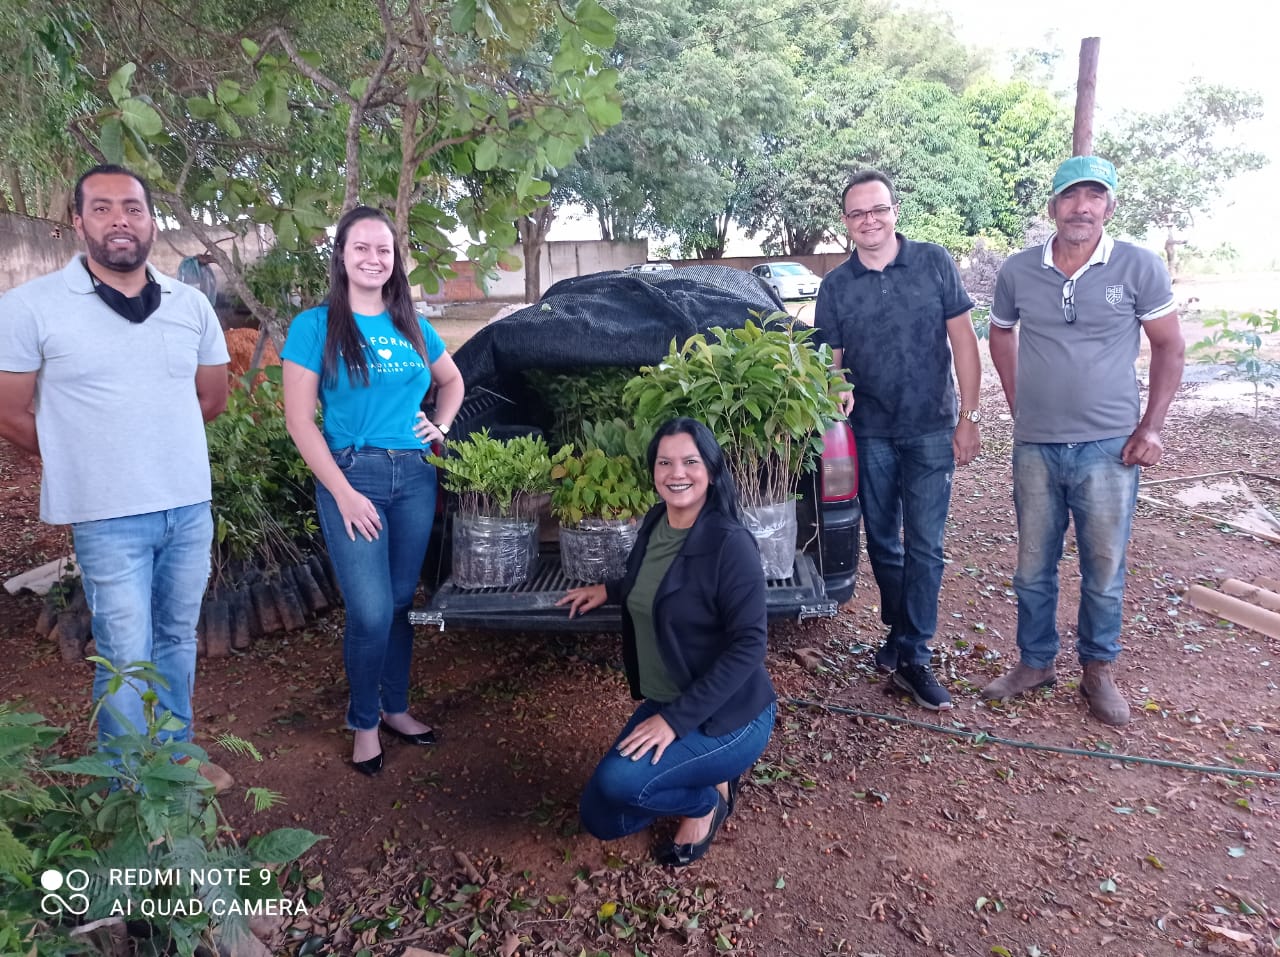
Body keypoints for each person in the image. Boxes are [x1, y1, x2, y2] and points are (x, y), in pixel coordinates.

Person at [0, 164, 231, 781]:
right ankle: (131, 784)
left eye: (132, 207)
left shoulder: (191, 305)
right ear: (77, 222)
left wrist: (151, 445)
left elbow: (211, 399)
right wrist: (88, 455)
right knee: (125, 655)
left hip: (186, 505)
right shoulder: (29, 308)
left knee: (178, 638)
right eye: (101, 209)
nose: (119, 220)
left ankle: (175, 759)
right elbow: (11, 413)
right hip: (107, 517)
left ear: (151, 220)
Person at [982, 156, 1184, 727]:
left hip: (1109, 447)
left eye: (1094, 197)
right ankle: (1035, 662)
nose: (1082, 208)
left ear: (1109, 207)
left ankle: (1097, 670)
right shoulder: (1019, 271)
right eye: (1072, 196)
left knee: (1103, 564)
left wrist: (1151, 427)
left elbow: (1170, 347)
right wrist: (1020, 403)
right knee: (1031, 564)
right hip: (1037, 447)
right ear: (1053, 206)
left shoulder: (1139, 267)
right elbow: (1000, 334)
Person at [282, 205, 464, 775]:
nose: (373, 258)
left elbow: (452, 380)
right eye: (361, 247)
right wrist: (342, 492)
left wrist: (441, 426)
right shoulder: (315, 326)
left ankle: (396, 708)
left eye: (383, 249)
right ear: (341, 255)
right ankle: (363, 721)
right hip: (352, 474)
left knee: (401, 603)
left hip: (414, 475)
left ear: (395, 259)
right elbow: (299, 420)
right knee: (368, 609)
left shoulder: (412, 323)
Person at [558, 418, 776, 867]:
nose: (677, 472)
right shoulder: (658, 520)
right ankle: (704, 783)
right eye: (665, 462)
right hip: (670, 697)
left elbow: (750, 645)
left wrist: (674, 722)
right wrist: (610, 590)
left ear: (711, 471)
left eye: (690, 461)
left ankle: (705, 802)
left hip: (728, 715)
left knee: (622, 785)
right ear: (654, 471)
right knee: (599, 816)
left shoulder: (730, 544)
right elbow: (659, 581)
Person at [813, 169, 982, 711]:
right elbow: (830, 363)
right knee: (884, 543)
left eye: (878, 209)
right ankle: (899, 629)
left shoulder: (934, 262)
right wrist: (835, 389)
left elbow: (962, 341)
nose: (870, 220)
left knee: (926, 545)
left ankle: (914, 655)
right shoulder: (836, 287)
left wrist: (970, 417)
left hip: (932, 426)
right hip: (872, 433)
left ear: (894, 211)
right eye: (858, 213)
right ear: (846, 223)